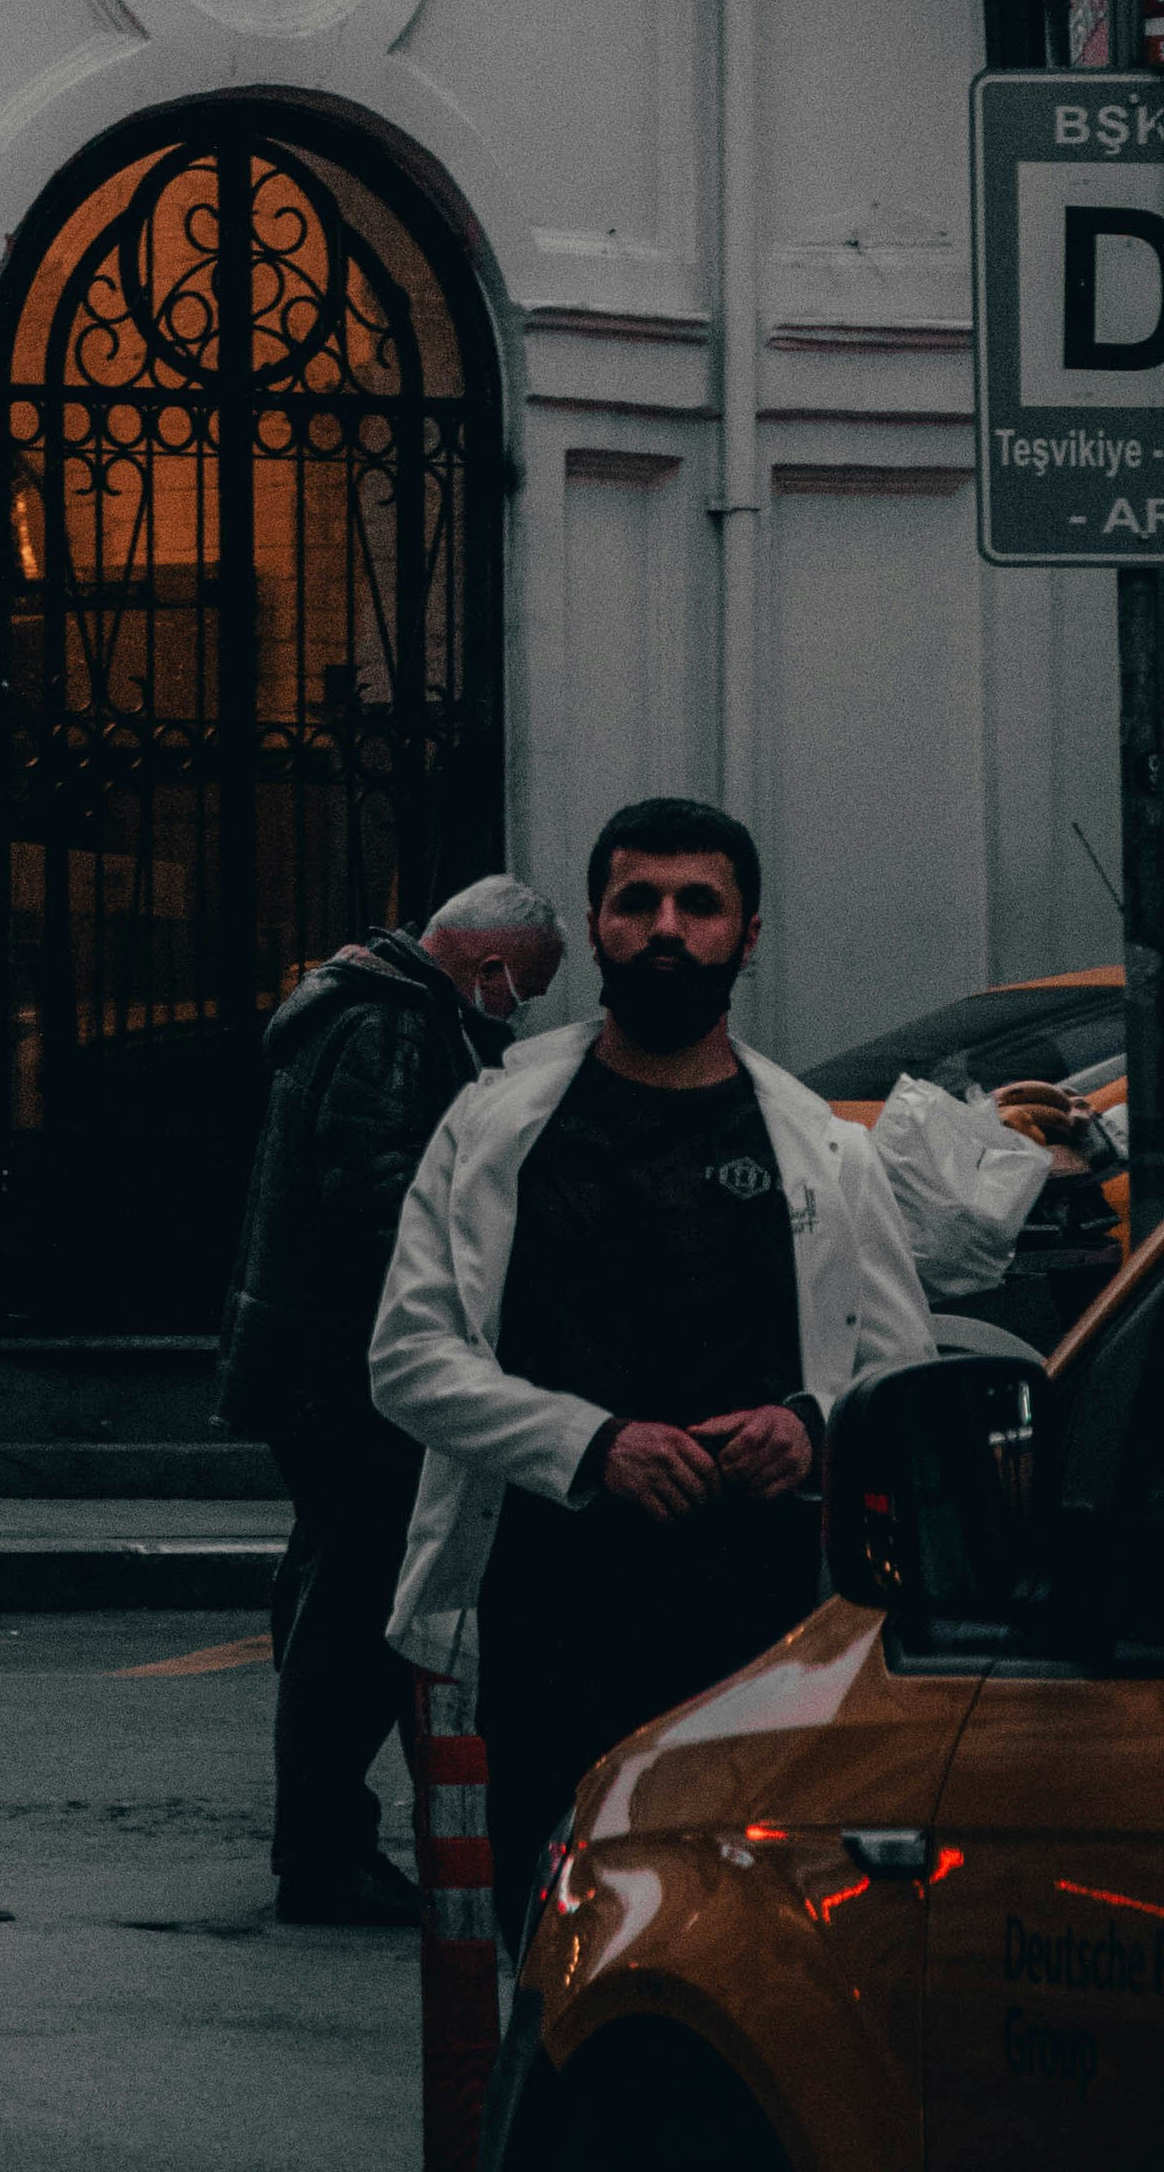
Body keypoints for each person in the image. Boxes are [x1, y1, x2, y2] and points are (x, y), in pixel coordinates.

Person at [371, 796, 932, 1958]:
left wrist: (810, 1426)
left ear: (750, 932)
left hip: (761, 1635)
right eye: (639, 902)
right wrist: (592, 1446)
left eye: (700, 904)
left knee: (745, 1947)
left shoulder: (826, 1152)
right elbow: (409, 1359)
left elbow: (901, 1376)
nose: (667, 927)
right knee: (550, 1939)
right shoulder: (495, 1128)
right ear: (595, 925)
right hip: (547, 1617)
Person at [217, 869, 566, 1925]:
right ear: (489, 964)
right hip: (352, 1369)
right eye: (523, 990)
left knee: (353, 1593)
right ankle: (325, 1853)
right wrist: (459, 1327)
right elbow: (385, 1200)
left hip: (319, 1364)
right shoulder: (390, 1030)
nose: (520, 1012)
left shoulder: (372, 1012)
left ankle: (384, 1837)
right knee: (368, 1609)